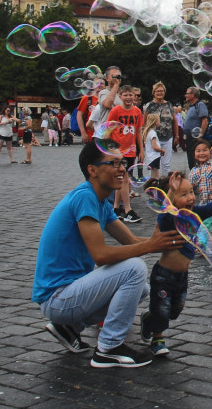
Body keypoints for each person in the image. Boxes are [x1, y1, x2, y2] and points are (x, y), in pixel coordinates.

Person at [33, 143, 179, 369]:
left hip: (68, 294)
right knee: (134, 269)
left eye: (123, 162)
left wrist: (171, 243)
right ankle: (108, 348)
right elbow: (101, 255)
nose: (122, 168)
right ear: (92, 170)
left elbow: (130, 240)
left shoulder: (99, 201)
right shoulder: (85, 198)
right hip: (57, 298)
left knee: (140, 288)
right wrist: (151, 246)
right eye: (114, 163)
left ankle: (69, 328)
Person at [140, 171, 212, 355]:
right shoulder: (168, 218)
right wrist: (171, 194)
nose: (190, 198)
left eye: (191, 192)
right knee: (162, 311)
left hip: (182, 276)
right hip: (163, 276)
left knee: (175, 311)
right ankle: (158, 339)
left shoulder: (194, 213)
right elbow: (166, 211)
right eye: (183, 194)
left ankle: (149, 318)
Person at [107, 85, 145, 222]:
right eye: (125, 95)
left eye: (131, 95)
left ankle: (116, 208)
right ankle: (128, 210)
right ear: (120, 96)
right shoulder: (115, 111)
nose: (128, 98)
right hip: (118, 151)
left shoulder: (137, 112)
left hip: (131, 151)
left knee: (122, 179)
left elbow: (139, 132)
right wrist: (109, 150)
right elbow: (108, 131)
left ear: (134, 97)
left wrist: (141, 150)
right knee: (124, 180)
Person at [181, 87, 210, 169]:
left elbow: (205, 121)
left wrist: (200, 135)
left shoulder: (199, 105)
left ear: (193, 95)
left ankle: (198, 176)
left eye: (187, 93)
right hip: (189, 138)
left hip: (195, 138)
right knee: (191, 158)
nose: (185, 95)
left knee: (196, 159)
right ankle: (194, 175)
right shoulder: (191, 106)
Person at [142, 113, 165, 190]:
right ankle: (153, 190)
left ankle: (152, 189)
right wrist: (161, 150)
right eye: (158, 120)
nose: (159, 122)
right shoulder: (153, 133)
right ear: (155, 122)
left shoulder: (148, 132)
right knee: (155, 177)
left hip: (150, 157)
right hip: (154, 157)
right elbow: (154, 146)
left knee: (153, 175)